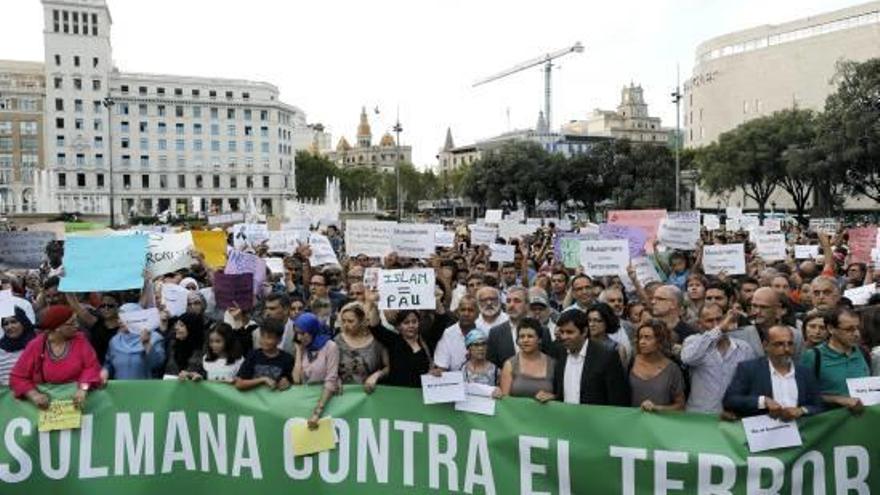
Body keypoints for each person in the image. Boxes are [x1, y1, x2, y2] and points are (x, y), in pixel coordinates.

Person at [10, 305, 103, 409]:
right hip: (48, 408)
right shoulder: (36, 345)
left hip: (78, 403)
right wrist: (34, 396)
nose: (77, 326)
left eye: (76, 321)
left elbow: (92, 367)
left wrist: (83, 389)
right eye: (72, 323)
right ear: (57, 328)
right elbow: (17, 377)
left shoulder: (80, 340)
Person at [723, 325, 823, 419]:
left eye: (790, 344)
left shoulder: (805, 372)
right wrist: (763, 401)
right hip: (761, 431)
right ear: (766, 346)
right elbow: (730, 400)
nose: (786, 349)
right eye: (779, 344)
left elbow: (818, 406)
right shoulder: (749, 369)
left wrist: (802, 410)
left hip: (797, 432)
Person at [680, 304, 755, 414]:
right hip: (700, 415)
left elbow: (751, 381)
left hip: (733, 415)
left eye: (719, 319)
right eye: (709, 321)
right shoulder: (693, 341)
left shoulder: (744, 348)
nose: (715, 324)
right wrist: (719, 329)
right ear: (699, 324)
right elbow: (688, 358)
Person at [800, 308, 871, 414]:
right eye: (849, 329)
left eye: (858, 328)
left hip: (862, 422)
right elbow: (803, 394)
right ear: (831, 329)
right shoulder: (813, 356)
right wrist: (837, 399)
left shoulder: (863, 352)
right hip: (831, 423)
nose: (856, 334)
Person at [552, 310, 629, 406]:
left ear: (584, 331)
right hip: (565, 418)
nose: (564, 337)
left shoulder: (607, 356)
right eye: (562, 332)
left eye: (569, 332)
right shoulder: (559, 352)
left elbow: (618, 399)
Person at [365, 292, 432, 388]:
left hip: (420, 395)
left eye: (414, 322)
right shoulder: (394, 341)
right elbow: (375, 327)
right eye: (406, 322)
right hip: (397, 394)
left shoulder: (426, 342)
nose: (411, 326)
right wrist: (374, 304)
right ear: (399, 326)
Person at [292, 313, 340, 429]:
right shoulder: (304, 347)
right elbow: (297, 380)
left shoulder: (330, 347)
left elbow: (331, 380)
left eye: (303, 333)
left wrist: (317, 413)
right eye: (297, 333)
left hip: (324, 405)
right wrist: (298, 351)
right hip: (305, 403)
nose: (299, 337)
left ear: (312, 330)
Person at [629, 319, 685, 412]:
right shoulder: (631, 362)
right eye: (640, 337)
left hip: (660, 423)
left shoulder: (672, 369)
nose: (642, 342)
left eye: (647, 337)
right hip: (633, 423)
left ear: (659, 341)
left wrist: (656, 408)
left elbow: (680, 406)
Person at [488, 287, 551, 367]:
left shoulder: (543, 330)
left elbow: (548, 363)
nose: (511, 305)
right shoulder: (495, 333)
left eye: (517, 301)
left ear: (527, 305)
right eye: (508, 301)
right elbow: (493, 367)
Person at [334, 302, 388, 393]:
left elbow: (387, 367)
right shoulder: (337, 340)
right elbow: (330, 367)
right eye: (343, 321)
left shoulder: (377, 341)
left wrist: (376, 375)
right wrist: (335, 379)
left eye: (350, 321)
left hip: (370, 394)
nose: (346, 325)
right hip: (343, 394)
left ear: (361, 321)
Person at [499, 318, 555, 402]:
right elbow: (504, 400)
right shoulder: (510, 364)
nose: (525, 340)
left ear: (539, 339)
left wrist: (552, 397)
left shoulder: (553, 364)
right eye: (522, 336)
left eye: (530, 336)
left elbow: (561, 396)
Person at [234, 318, 294, 392]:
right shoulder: (253, 355)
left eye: (269, 337)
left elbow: (293, 384)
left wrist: (287, 383)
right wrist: (262, 380)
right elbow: (239, 383)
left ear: (279, 340)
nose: (264, 340)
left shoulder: (288, 359)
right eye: (262, 336)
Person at [101, 314, 166, 380]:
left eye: (124, 317)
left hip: (146, 388)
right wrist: (105, 371)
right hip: (121, 388)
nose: (120, 321)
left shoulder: (154, 337)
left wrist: (147, 344)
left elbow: (157, 365)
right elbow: (109, 364)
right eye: (119, 318)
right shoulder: (114, 341)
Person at [434, 295, 478, 373]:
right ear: (457, 312)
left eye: (470, 310)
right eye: (463, 310)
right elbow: (442, 367)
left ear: (477, 314)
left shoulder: (484, 332)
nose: (466, 314)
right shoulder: (447, 334)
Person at [0, 308, 36, 386]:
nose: (10, 327)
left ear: (23, 322)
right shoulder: (1, 349)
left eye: (14, 322)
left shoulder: (37, 344)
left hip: (35, 391)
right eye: (5, 324)